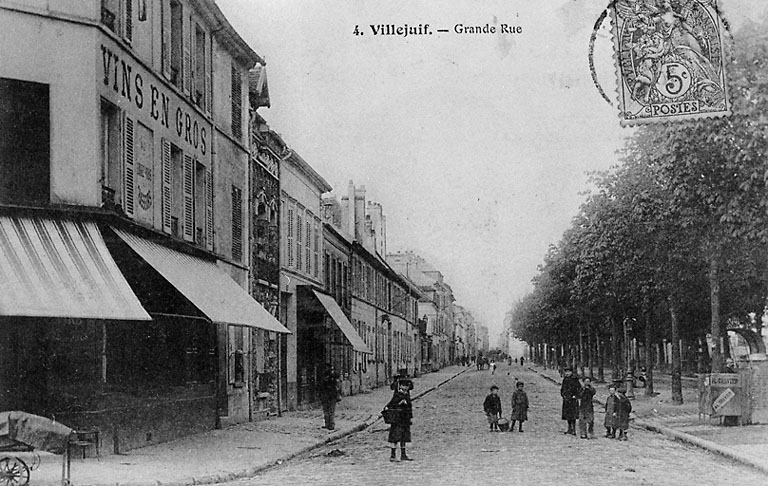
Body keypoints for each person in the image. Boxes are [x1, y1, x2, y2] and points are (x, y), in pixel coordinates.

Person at [384, 379, 414, 461]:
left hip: (405, 419)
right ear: (400, 386)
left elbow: (409, 407)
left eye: (407, 386)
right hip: (397, 420)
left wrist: (410, 417)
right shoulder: (397, 395)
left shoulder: (407, 395)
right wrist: (399, 403)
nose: (406, 387)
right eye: (404, 385)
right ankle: (393, 455)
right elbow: (392, 404)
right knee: (395, 438)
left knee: (404, 437)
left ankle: (403, 455)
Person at [319, 363, 340, 430]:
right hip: (326, 396)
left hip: (331, 396)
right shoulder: (325, 376)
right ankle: (327, 424)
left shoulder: (333, 376)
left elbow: (337, 386)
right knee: (326, 410)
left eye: (327, 368)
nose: (326, 369)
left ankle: (331, 424)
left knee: (330, 410)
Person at [560, 367, 580, 436]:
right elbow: (562, 389)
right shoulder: (565, 380)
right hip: (566, 399)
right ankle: (569, 428)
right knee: (567, 415)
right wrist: (563, 395)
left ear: (571, 372)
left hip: (573, 400)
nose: (567, 373)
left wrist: (576, 396)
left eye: (569, 372)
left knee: (573, 415)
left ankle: (573, 429)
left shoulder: (575, 379)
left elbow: (579, 388)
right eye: (566, 372)